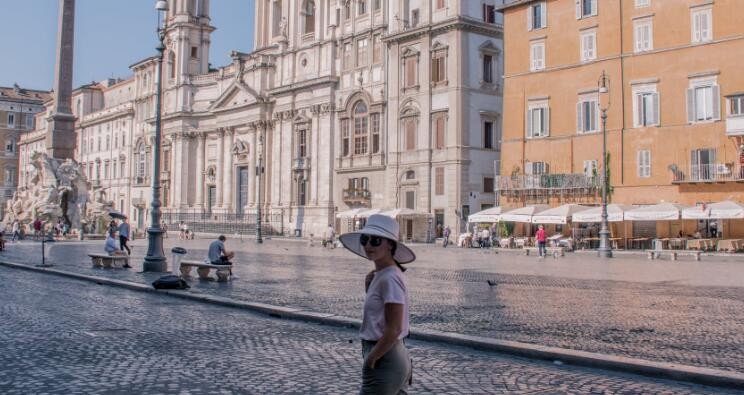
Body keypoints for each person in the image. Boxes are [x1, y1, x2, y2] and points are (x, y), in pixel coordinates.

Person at [339, 214, 413, 394]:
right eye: (365, 239)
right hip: (388, 354)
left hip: (385, 356)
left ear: (390, 245)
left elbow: (394, 329)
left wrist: (372, 357)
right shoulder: (381, 275)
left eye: (376, 240)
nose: (368, 245)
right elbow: (379, 315)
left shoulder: (390, 278)